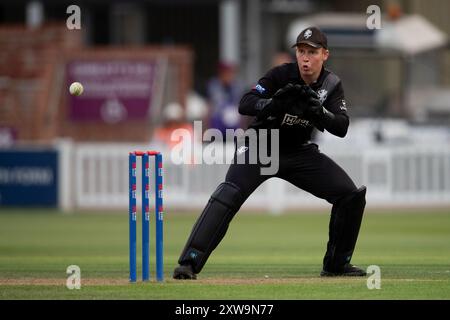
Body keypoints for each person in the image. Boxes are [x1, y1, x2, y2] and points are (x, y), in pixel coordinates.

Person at [173, 27, 367, 279]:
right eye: (301, 51)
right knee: (228, 194)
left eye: (312, 52)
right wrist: (271, 104)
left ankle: (336, 265)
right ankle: (189, 263)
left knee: (350, 196)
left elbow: (341, 127)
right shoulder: (281, 74)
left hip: (299, 152)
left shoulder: (331, 84)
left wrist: (319, 113)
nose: (305, 58)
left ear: (325, 55)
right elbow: (246, 103)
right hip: (261, 146)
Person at [205, 62, 244, 135]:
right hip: (217, 122)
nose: (228, 76)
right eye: (226, 73)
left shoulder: (237, 86)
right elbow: (210, 106)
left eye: (231, 73)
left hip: (233, 124)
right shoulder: (214, 85)